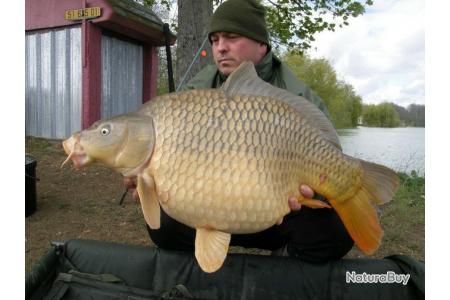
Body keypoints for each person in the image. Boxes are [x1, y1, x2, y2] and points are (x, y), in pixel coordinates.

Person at [126, 0, 354, 263]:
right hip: (209, 208)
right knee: (162, 226)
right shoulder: (194, 94)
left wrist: (312, 193)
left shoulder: (299, 96)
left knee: (337, 230)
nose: (221, 47)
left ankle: (287, 264)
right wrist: (150, 180)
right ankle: (199, 270)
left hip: (276, 214)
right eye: (214, 40)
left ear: (262, 44)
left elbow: (331, 158)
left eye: (231, 37)